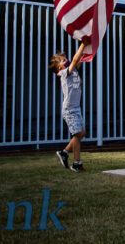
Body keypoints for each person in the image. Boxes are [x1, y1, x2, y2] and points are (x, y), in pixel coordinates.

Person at [49, 42, 87, 173]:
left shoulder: (73, 70)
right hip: (69, 110)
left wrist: (86, 49)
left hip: (76, 108)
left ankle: (64, 153)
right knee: (77, 135)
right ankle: (77, 164)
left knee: (82, 133)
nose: (66, 61)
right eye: (62, 60)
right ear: (58, 68)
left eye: (66, 59)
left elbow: (78, 59)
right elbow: (76, 59)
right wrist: (84, 43)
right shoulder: (64, 73)